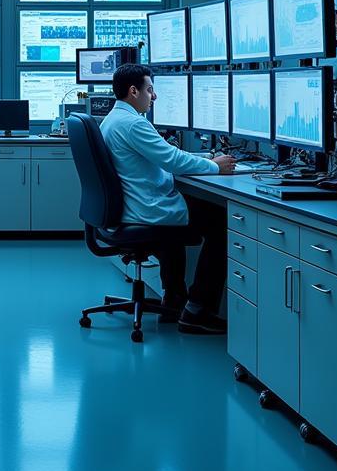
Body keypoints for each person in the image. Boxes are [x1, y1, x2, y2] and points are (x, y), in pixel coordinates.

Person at [99, 63, 235, 335]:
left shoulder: (112, 119)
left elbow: (164, 158)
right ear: (134, 90)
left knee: (188, 216)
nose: (154, 96)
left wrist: (203, 160)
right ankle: (198, 309)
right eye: (150, 90)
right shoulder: (133, 124)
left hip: (131, 207)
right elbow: (172, 159)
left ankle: (174, 299)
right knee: (220, 222)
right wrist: (215, 166)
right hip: (145, 210)